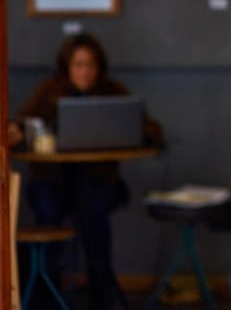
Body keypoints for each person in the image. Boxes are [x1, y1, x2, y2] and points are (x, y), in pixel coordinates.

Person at [8, 32, 163, 310]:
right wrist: (17, 131)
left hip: (98, 179)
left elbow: (151, 128)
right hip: (52, 180)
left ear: (99, 66)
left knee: (93, 208)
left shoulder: (113, 91)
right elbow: (21, 121)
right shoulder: (48, 90)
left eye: (90, 64)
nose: (85, 71)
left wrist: (138, 132)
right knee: (48, 209)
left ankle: (101, 286)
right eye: (78, 64)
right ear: (67, 66)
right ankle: (46, 287)